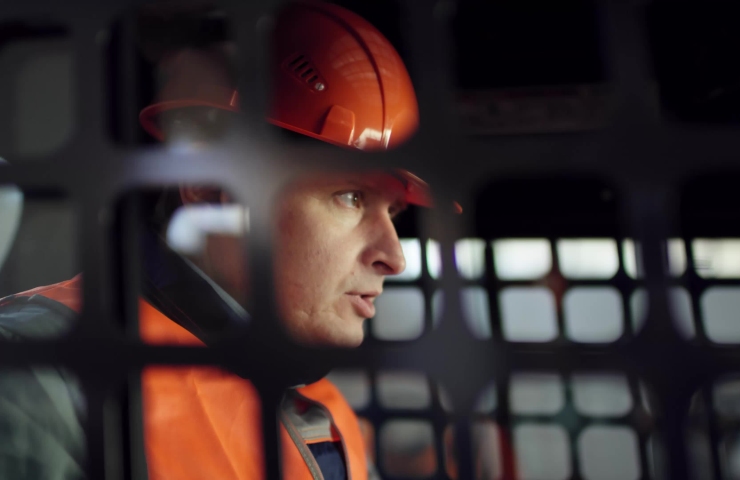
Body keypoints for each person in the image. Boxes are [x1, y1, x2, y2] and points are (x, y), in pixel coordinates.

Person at [0, 1, 430, 479]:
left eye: (392, 212)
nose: (394, 257)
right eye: (350, 197)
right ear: (207, 183)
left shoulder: (324, 413)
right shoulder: (36, 372)